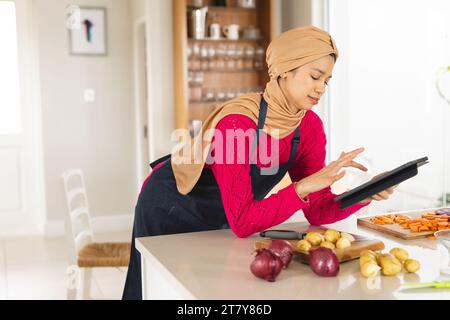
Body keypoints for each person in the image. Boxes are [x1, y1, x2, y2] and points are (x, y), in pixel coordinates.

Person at [122, 26, 398, 300]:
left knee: (211, 289)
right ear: (285, 70)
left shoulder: (309, 127)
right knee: (157, 288)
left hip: (228, 210)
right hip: (172, 204)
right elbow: (243, 222)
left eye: (326, 80)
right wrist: (301, 187)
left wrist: (365, 194)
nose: (321, 88)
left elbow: (317, 211)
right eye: (315, 76)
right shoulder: (238, 123)